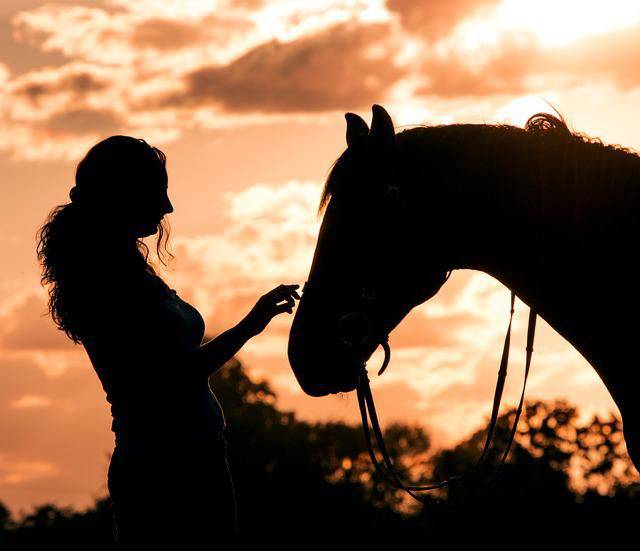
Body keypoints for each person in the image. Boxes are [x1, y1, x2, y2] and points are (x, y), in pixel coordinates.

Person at [36, 136, 300, 547]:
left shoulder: (125, 273)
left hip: (188, 460)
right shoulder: (110, 285)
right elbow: (176, 377)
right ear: (125, 195)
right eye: (157, 191)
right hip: (170, 470)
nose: (168, 206)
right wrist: (253, 322)